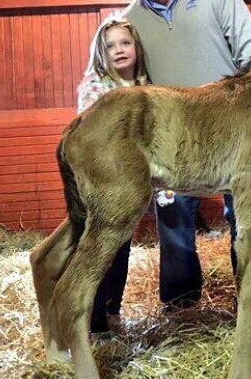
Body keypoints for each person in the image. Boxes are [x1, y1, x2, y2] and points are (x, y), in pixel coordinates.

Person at [99, 0, 251, 308]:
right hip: (174, 140)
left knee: (245, 217)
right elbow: (129, 79)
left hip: (233, 127)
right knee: (173, 224)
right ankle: (181, 310)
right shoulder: (129, 21)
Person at [77, 18, 151, 337]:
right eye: (110, 46)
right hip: (106, 177)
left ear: (136, 47)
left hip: (133, 181)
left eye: (125, 43)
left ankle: (112, 310)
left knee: (122, 246)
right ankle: (94, 322)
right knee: (100, 246)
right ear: (101, 53)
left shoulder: (146, 85)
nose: (118, 50)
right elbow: (89, 135)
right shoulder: (96, 86)